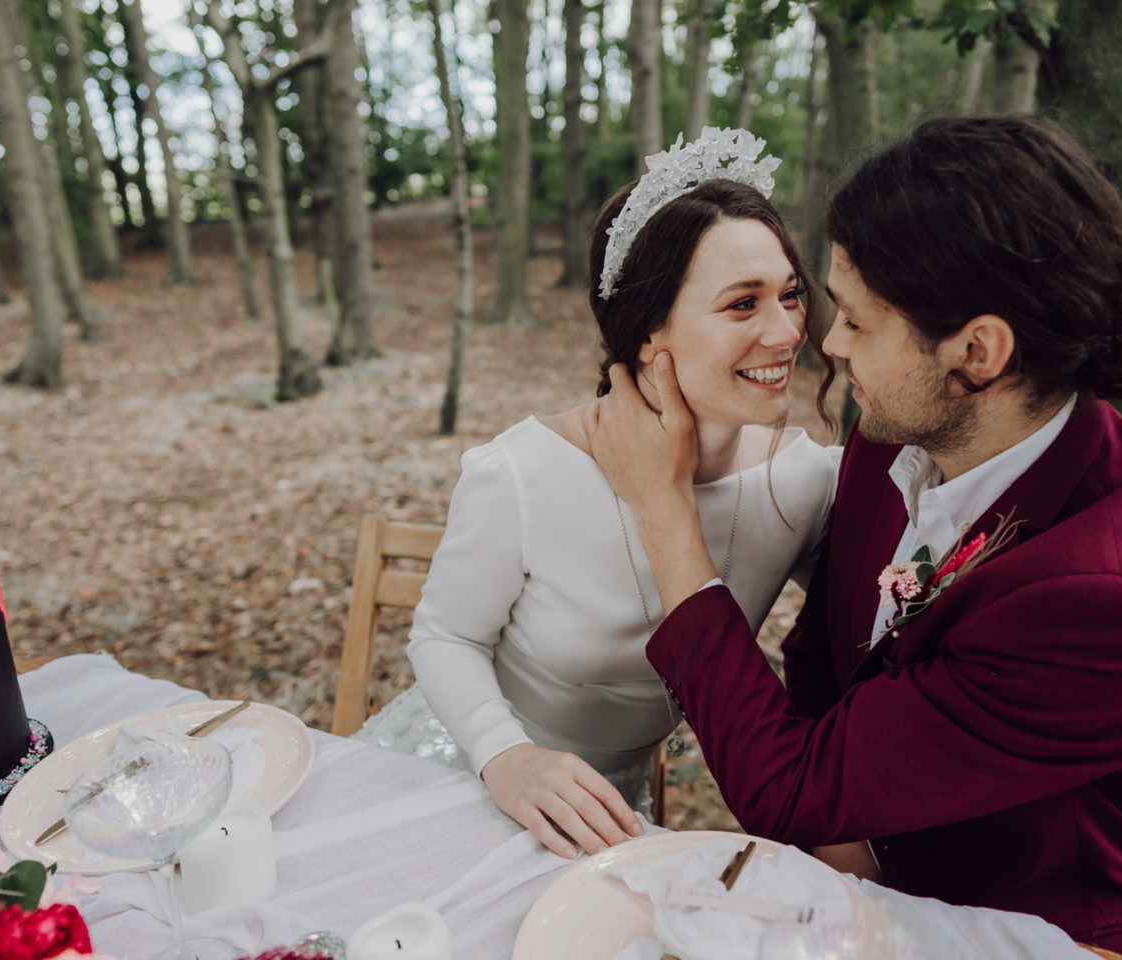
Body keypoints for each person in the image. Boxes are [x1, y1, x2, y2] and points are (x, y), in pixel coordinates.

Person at [585, 115, 1122, 960]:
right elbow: (823, 661)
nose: (827, 340)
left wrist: (663, 511)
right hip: (867, 889)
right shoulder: (897, 435)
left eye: (857, 319)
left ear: (979, 350)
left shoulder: (1116, 604)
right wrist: (839, 835)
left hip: (1053, 935)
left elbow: (789, 787)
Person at [354, 128, 841, 860]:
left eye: (791, 296)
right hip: (463, 773)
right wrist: (505, 758)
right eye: (743, 305)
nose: (787, 332)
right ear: (648, 333)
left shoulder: (805, 482)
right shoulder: (522, 470)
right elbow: (445, 635)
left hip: (610, 821)